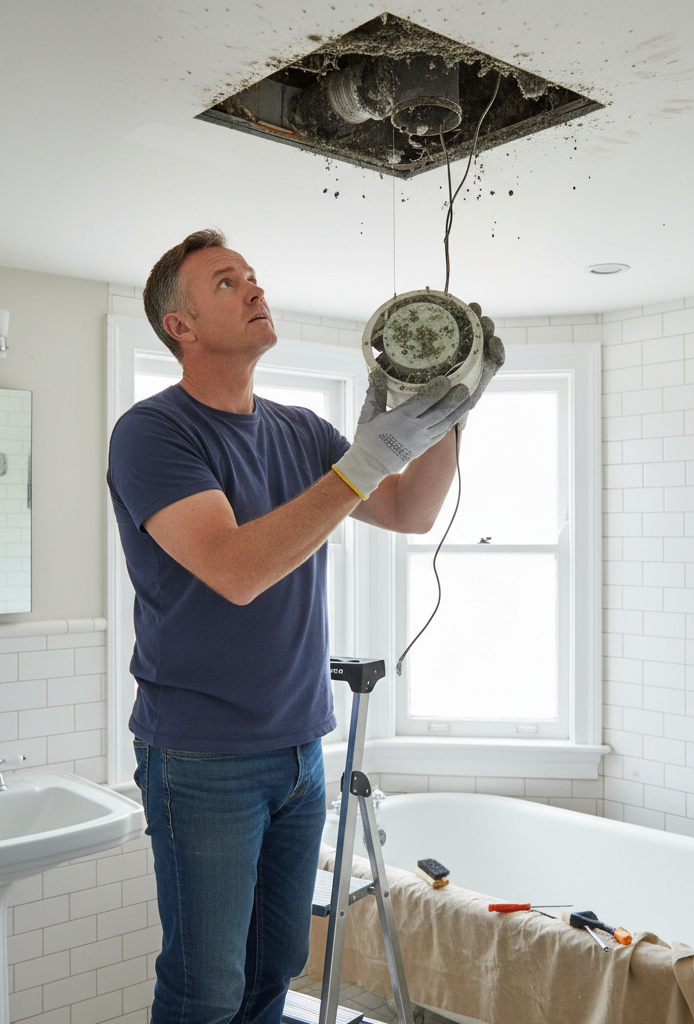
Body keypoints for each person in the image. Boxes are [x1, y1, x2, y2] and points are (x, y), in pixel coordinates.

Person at [107, 228, 504, 1024]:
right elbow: (236, 569)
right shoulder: (154, 433)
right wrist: (361, 463)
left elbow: (411, 510)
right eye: (226, 283)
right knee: (204, 987)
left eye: (252, 277)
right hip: (202, 756)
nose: (255, 289)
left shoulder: (300, 429)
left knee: (276, 971)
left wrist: (447, 410)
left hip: (300, 749)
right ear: (178, 326)